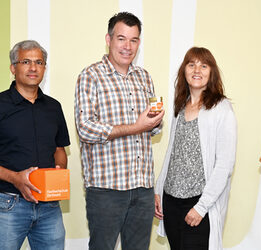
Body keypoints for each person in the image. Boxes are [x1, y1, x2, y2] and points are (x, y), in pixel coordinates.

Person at [0, 40, 70, 250]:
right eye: (26, 61)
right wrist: (14, 177)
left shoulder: (54, 107)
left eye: (39, 62)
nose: (33, 68)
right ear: (13, 68)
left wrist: (58, 171)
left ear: (44, 68)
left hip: (49, 206)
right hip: (8, 205)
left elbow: (59, 149)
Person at [74, 12, 165, 250]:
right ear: (108, 39)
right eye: (121, 38)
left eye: (134, 40)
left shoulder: (144, 77)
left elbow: (152, 129)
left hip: (142, 188)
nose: (128, 46)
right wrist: (137, 126)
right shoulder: (90, 76)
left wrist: (155, 122)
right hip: (106, 190)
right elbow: (85, 129)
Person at [154, 47, 237, 250]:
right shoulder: (179, 105)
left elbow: (224, 165)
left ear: (211, 72)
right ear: (184, 70)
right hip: (171, 201)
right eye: (191, 64)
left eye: (204, 65)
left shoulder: (221, 108)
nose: (197, 69)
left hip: (199, 204)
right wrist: (158, 189)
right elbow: (172, 152)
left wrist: (201, 208)